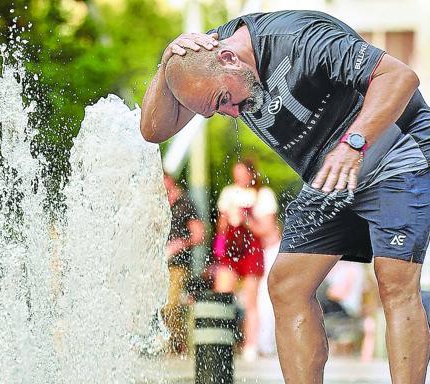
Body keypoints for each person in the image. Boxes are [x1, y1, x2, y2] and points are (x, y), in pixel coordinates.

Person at [140, 10, 430, 383]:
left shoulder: (299, 38)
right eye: (216, 110)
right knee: (287, 284)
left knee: (394, 278)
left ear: (230, 58)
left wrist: (352, 144)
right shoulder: (204, 57)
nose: (230, 112)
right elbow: (153, 130)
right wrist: (168, 62)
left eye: (225, 99)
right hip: (332, 172)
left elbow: (400, 76)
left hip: (395, 146)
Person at [211, 159, 278, 361]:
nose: (239, 178)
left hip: (251, 249)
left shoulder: (264, 195)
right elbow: (222, 227)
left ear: (251, 174)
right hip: (232, 251)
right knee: (221, 296)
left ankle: (250, 345)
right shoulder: (228, 193)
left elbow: (266, 229)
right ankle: (220, 341)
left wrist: (245, 219)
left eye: (242, 173)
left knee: (251, 300)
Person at [162, 173, 205, 355]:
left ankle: (179, 345)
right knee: (160, 308)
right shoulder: (158, 200)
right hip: (160, 264)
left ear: (170, 180)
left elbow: (199, 234)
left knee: (171, 305)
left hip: (178, 264)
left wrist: (181, 243)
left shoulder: (185, 202)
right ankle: (173, 344)